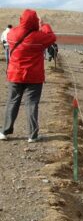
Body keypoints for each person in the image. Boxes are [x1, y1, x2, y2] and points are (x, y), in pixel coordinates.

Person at [0, 9, 56, 142]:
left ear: (21, 19)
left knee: (12, 101)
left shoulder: (12, 33)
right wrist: (44, 25)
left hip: (15, 75)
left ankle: (4, 132)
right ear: (35, 21)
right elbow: (52, 37)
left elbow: (6, 38)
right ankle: (32, 135)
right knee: (32, 104)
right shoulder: (39, 37)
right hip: (34, 76)